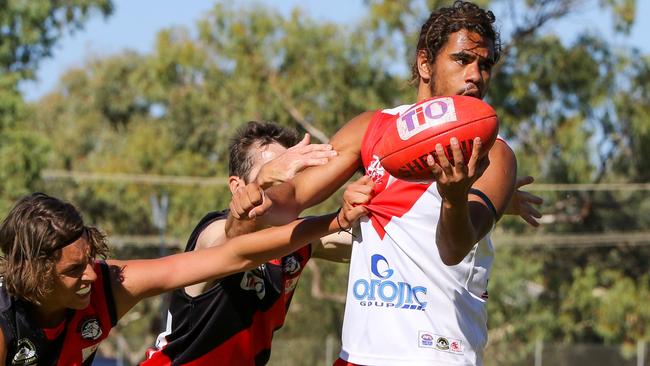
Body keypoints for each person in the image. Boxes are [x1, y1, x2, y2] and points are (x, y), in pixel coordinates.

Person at [226, 1, 531, 365]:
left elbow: (453, 249)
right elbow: (292, 197)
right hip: (357, 355)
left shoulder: (494, 155)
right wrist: (260, 191)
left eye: (485, 65)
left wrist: (453, 197)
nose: (476, 75)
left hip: (437, 356)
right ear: (424, 64)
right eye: (462, 59)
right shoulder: (373, 128)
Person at [0, 181, 370, 365]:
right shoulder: (5, 326)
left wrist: (333, 221)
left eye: (89, 260)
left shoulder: (110, 285)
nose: (92, 276)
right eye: (73, 270)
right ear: (35, 272)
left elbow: (233, 256)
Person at [142, 121, 355, 365]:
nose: (286, 184)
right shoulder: (213, 232)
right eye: (276, 171)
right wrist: (262, 183)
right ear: (237, 186)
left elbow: (370, 237)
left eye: (294, 175)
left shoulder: (299, 240)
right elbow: (231, 242)